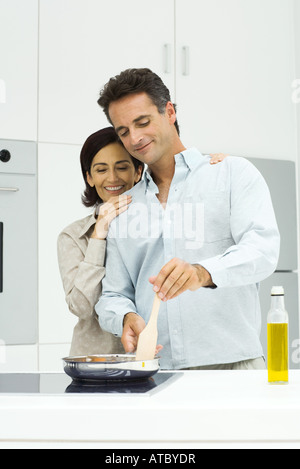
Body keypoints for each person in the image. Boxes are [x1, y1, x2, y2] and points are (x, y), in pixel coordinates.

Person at [95, 68, 280, 370]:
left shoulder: (232, 174)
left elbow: (262, 252)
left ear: (169, 112)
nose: (135, 138)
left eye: (143, 122)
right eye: (124, 131)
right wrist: (125, 317)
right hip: (156, 371)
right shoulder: (124, 207)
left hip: (234, 367)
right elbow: (115, 293)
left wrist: (202, 272)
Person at [57, 126, 226, 356]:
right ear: (90, 177)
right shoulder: (73, 236)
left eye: (122, 167)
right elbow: (81, 307)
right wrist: (99, 233)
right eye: (101, 169)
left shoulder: (164, 220)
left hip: (151, 356)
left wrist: (212, 168)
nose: (113, 178)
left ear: (138, 172)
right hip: (97, 360)